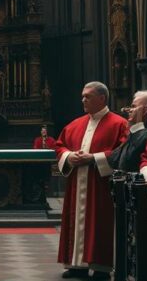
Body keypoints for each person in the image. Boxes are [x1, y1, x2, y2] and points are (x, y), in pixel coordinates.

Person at [54, 82, 128, 279]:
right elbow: (60, 146)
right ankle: (77, 265)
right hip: (77, 183)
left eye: (88, 96)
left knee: (99, 222)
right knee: (76, 219)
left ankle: (101, 266)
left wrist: (94, 158)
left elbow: (124, 151)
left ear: (102, 98)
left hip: (100, 185)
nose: (83, 100)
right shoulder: (74, 125)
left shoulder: (119, 123)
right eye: (82, 96)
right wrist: (70, 156)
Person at [108, 90, 147, 173]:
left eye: (133, 107)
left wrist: (137, 125)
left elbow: (131, 159)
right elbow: (113, 160)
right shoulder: (137, 130)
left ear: (145, 110)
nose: (128, 111)